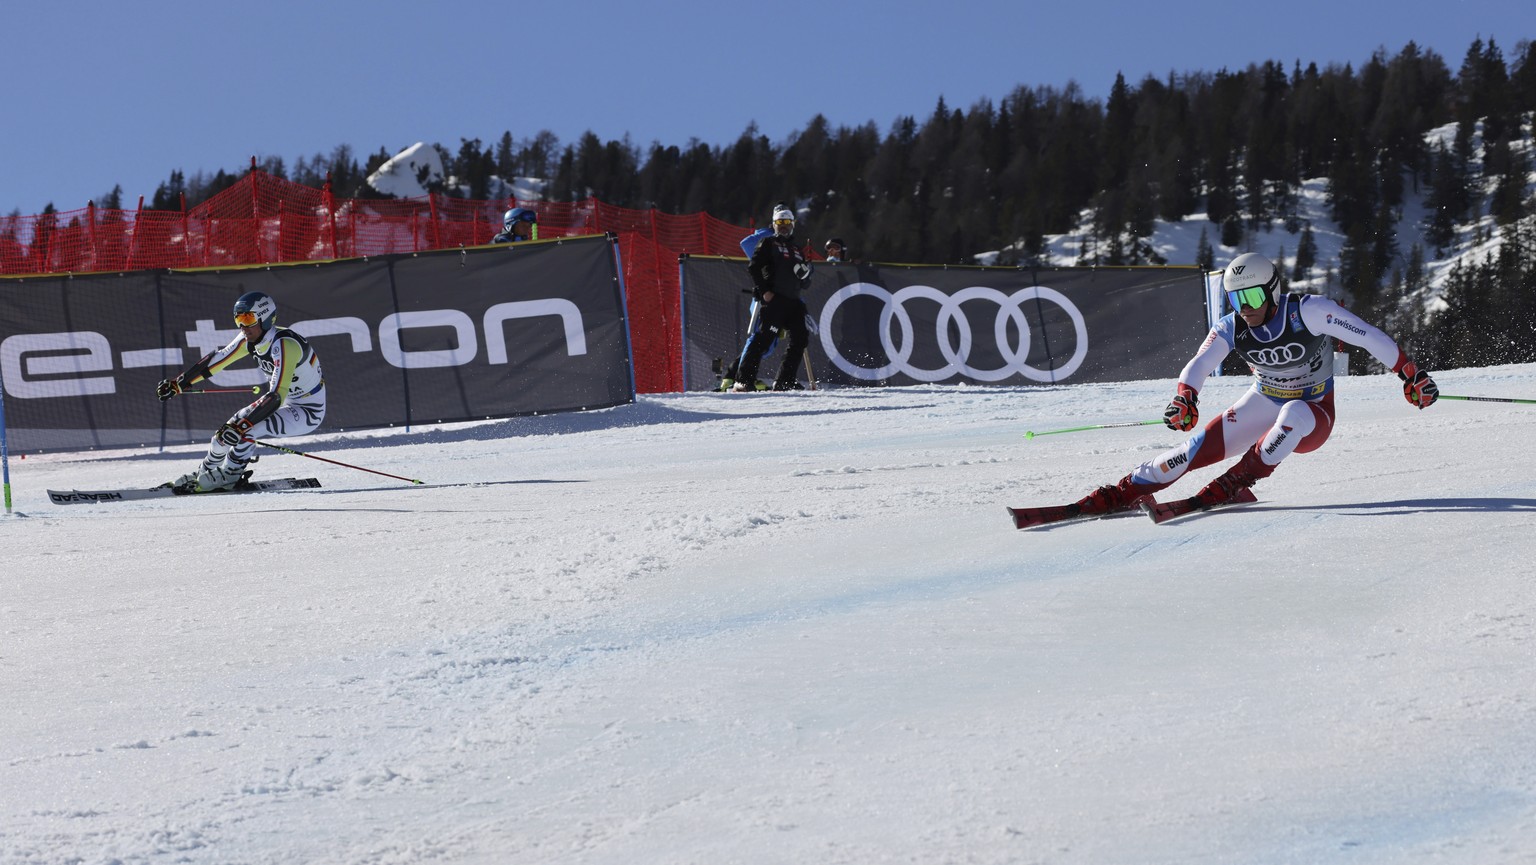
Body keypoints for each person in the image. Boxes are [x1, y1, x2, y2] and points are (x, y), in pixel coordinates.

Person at [1064, 251, 1439, 515]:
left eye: (1254, 295)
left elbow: (1367, 335)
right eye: (1236, 298)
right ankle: (1125, 491)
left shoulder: (1309, 311)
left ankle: (1235, 482)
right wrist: (1185, 398)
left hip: (1313, 414)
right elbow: (1199, 364)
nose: (1246, 306)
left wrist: (1410, 373)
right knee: (1188, 451)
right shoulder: (1230, 326)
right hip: (1263, 401)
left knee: (1293, 411)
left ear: (1273, 290)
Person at [157, 291, 326, 491]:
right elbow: (218, 360)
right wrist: (179, 383)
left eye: (248, 318)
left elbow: (276, 395)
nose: (242, 326)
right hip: (281, 400)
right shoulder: (250, 339)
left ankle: (230, 474)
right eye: (238, 319)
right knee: (223, 434)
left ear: (264, 318)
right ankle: (206, 470)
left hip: (307, 410)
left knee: (247, 429)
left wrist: (242, 427)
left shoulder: (284, 344)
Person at [732, 204, 813, 392]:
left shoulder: (797, 250)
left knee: (800, 339)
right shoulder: (768, 243)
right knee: (765, 338)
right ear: (773, 225)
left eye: (787, 222)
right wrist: (765, 291)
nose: (783, 226)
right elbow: (754, 267)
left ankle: (785, 380)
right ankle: (743, 380)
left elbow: (804, 282)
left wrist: (805, 275)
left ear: (793, 224)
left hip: (793, 302)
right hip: (775, 300)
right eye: (779, 222)